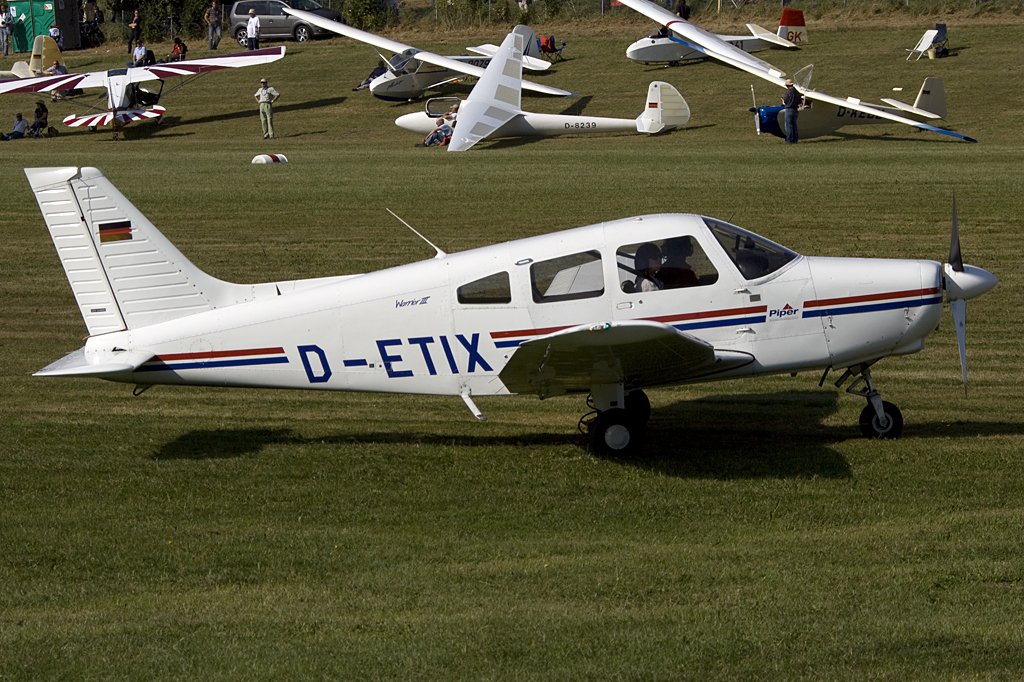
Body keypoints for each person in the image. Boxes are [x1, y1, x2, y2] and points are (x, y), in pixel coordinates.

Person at [782, 78, 800, 144]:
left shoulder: (788, 92)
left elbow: (785, 100)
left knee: (788, 125)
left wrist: (783, 101)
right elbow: (799, 100)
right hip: (795, 110)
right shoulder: (797, 92)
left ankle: (789, 140)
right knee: (794, 125)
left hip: (789, 109)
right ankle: (795, 140)